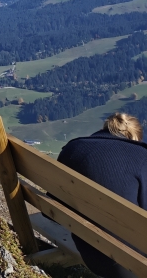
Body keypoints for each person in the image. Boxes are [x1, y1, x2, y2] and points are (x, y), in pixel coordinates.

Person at [56, 112, 147, 278]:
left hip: (89, 251)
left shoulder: (72, 149)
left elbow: (55, 204)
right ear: (134, 138)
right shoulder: (142, 157)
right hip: (132, 266)